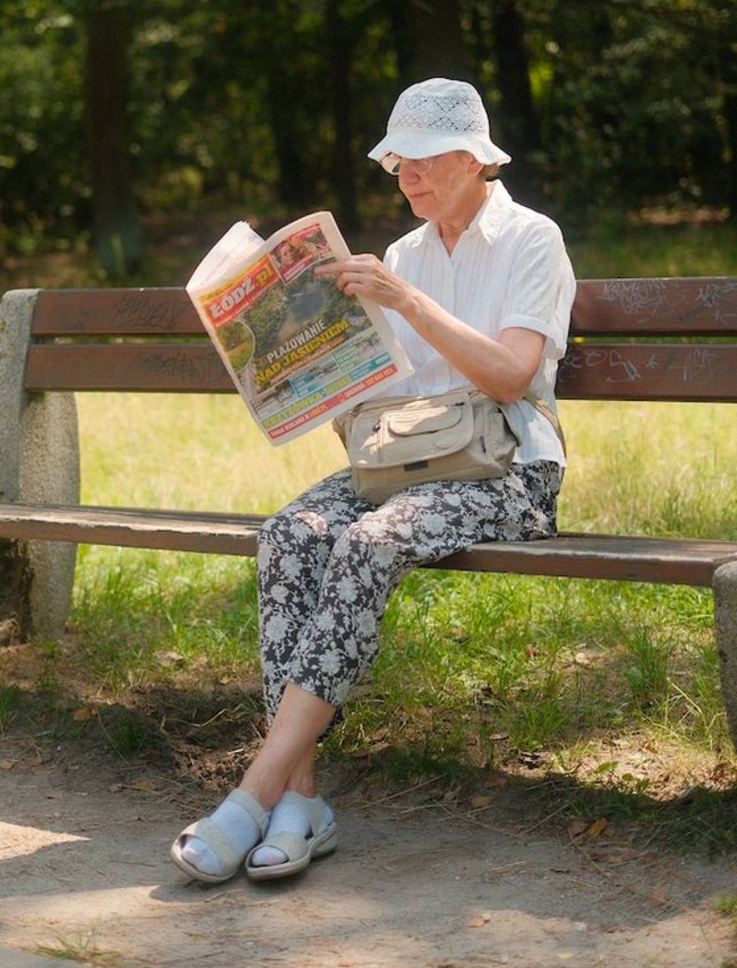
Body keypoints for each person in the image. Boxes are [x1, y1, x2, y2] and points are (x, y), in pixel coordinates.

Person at [171, 77, 576, 886]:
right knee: (289, 532)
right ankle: (302, 801)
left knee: (368, 540)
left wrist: (409, 303)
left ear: (472, 158)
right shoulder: (403, 253)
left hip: (507, 467)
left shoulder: (534, 240)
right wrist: (313, 374)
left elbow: (509, 375)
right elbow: (388, 387)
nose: (407, 178)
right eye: (397, 164)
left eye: (422, 161)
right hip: (408, 454)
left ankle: (256, 790)